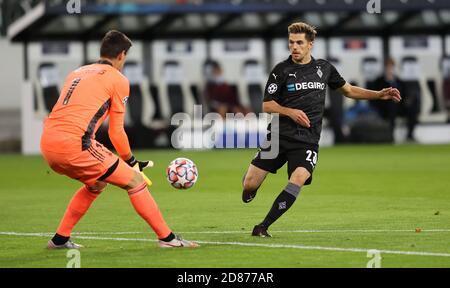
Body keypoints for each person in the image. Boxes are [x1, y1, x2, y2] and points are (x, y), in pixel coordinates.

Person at [241, 22, 401, 237]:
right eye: (291, 42)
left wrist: (379, 94)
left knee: (297, 178)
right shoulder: (281, 71)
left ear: (310, 45)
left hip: (307, 140)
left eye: (299, 43)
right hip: (278, 136)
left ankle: (263, 226)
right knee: (249, 184)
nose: (294, 47)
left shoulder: (324, 68)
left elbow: (349, 90)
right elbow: (267, 105)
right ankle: (251, 188)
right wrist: (290, 112)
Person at [40, 30, 198, 249]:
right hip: (75, 144)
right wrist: (132, 162)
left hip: (48, 141)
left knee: (97, 183)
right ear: (122, 55)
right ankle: (167, 239)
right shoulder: (118, 79)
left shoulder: (76, 72)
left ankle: (59, 240)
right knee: (135, 181)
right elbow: (116, 132)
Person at [368, 57, 418, 142]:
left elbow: (405, 95)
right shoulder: (378, 81)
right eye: (388, 67)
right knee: (392, 106)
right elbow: (375, 96)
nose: (390, 69)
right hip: (384, 107)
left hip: (399, 105)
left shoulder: (399, 81)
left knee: (412, 107)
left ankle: (410, 134)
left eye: (392, 67)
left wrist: (407, 101)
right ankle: (390, 136)